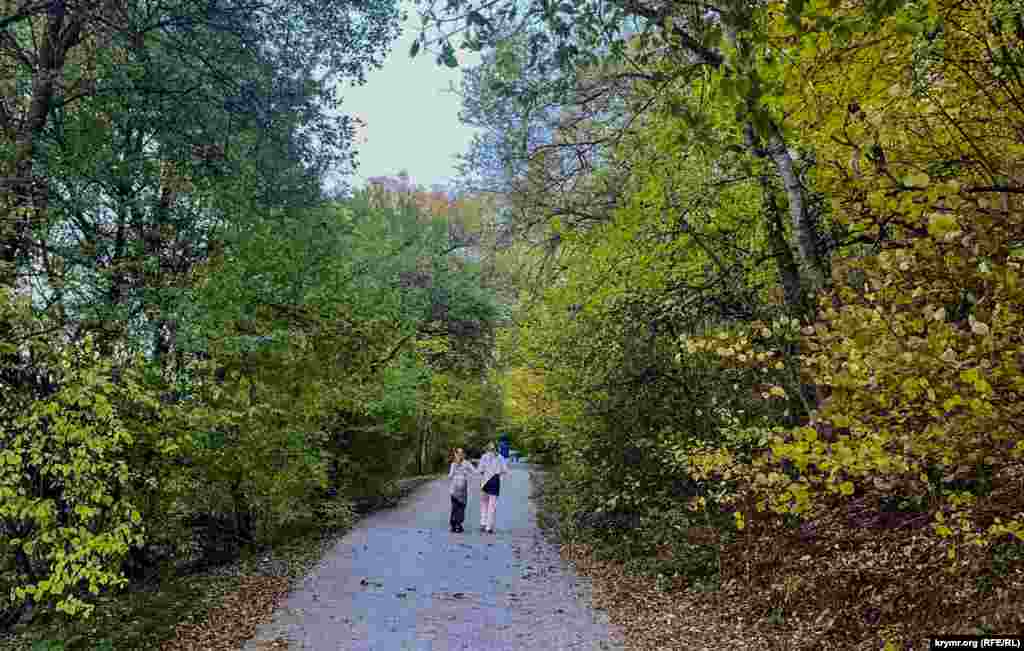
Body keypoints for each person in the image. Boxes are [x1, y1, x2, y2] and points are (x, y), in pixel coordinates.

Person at [477, 441, 509, 534]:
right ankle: (488, 527)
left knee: (484, 503)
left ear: (488, 448)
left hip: (485, 481)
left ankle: (483, 523)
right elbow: (505, 470)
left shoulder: (484, 457)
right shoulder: (500, 457)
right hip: (495, 481)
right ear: (496, 448)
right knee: (492, 505)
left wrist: (484, 472)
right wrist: (498, 472)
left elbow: (480, 470)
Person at [448, 448, 476, 533]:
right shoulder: (465, 463)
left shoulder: (454, 464)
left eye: (460, 453)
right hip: (461, 486)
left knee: (456, 506)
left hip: (456, 487)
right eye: (459, 453)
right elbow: (475, 471)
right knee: (461, 506)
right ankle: (458, 525)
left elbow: (450, 476)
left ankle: (454, 524)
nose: (460, 455)